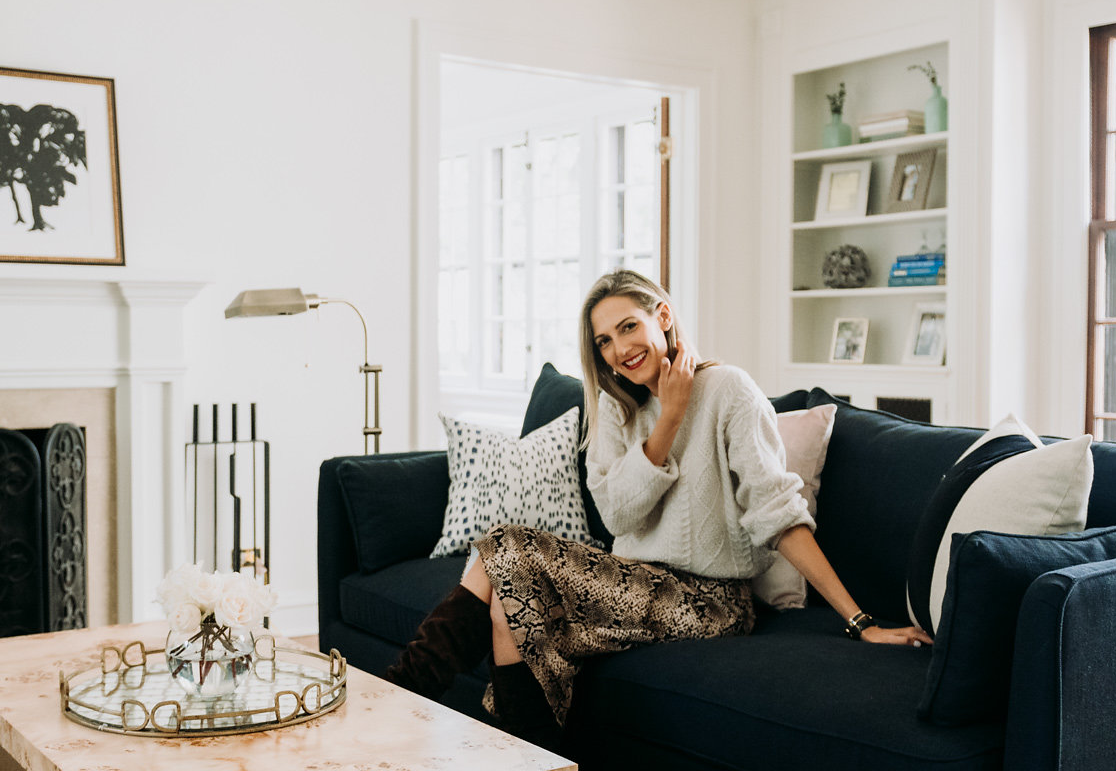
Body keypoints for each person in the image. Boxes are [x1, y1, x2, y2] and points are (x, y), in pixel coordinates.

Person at [383, 269, 931, 743]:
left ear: (661, 316)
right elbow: (619, 518)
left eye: (628, 327)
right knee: (510, 603)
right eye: (604, 341)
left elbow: (777, 515)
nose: (620, 349)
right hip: (636, 582)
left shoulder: (728, 391)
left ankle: (399, 701)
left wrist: (861, 623)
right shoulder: (616, 409)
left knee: (505, 547)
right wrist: (665, 420)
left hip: (712, 602)